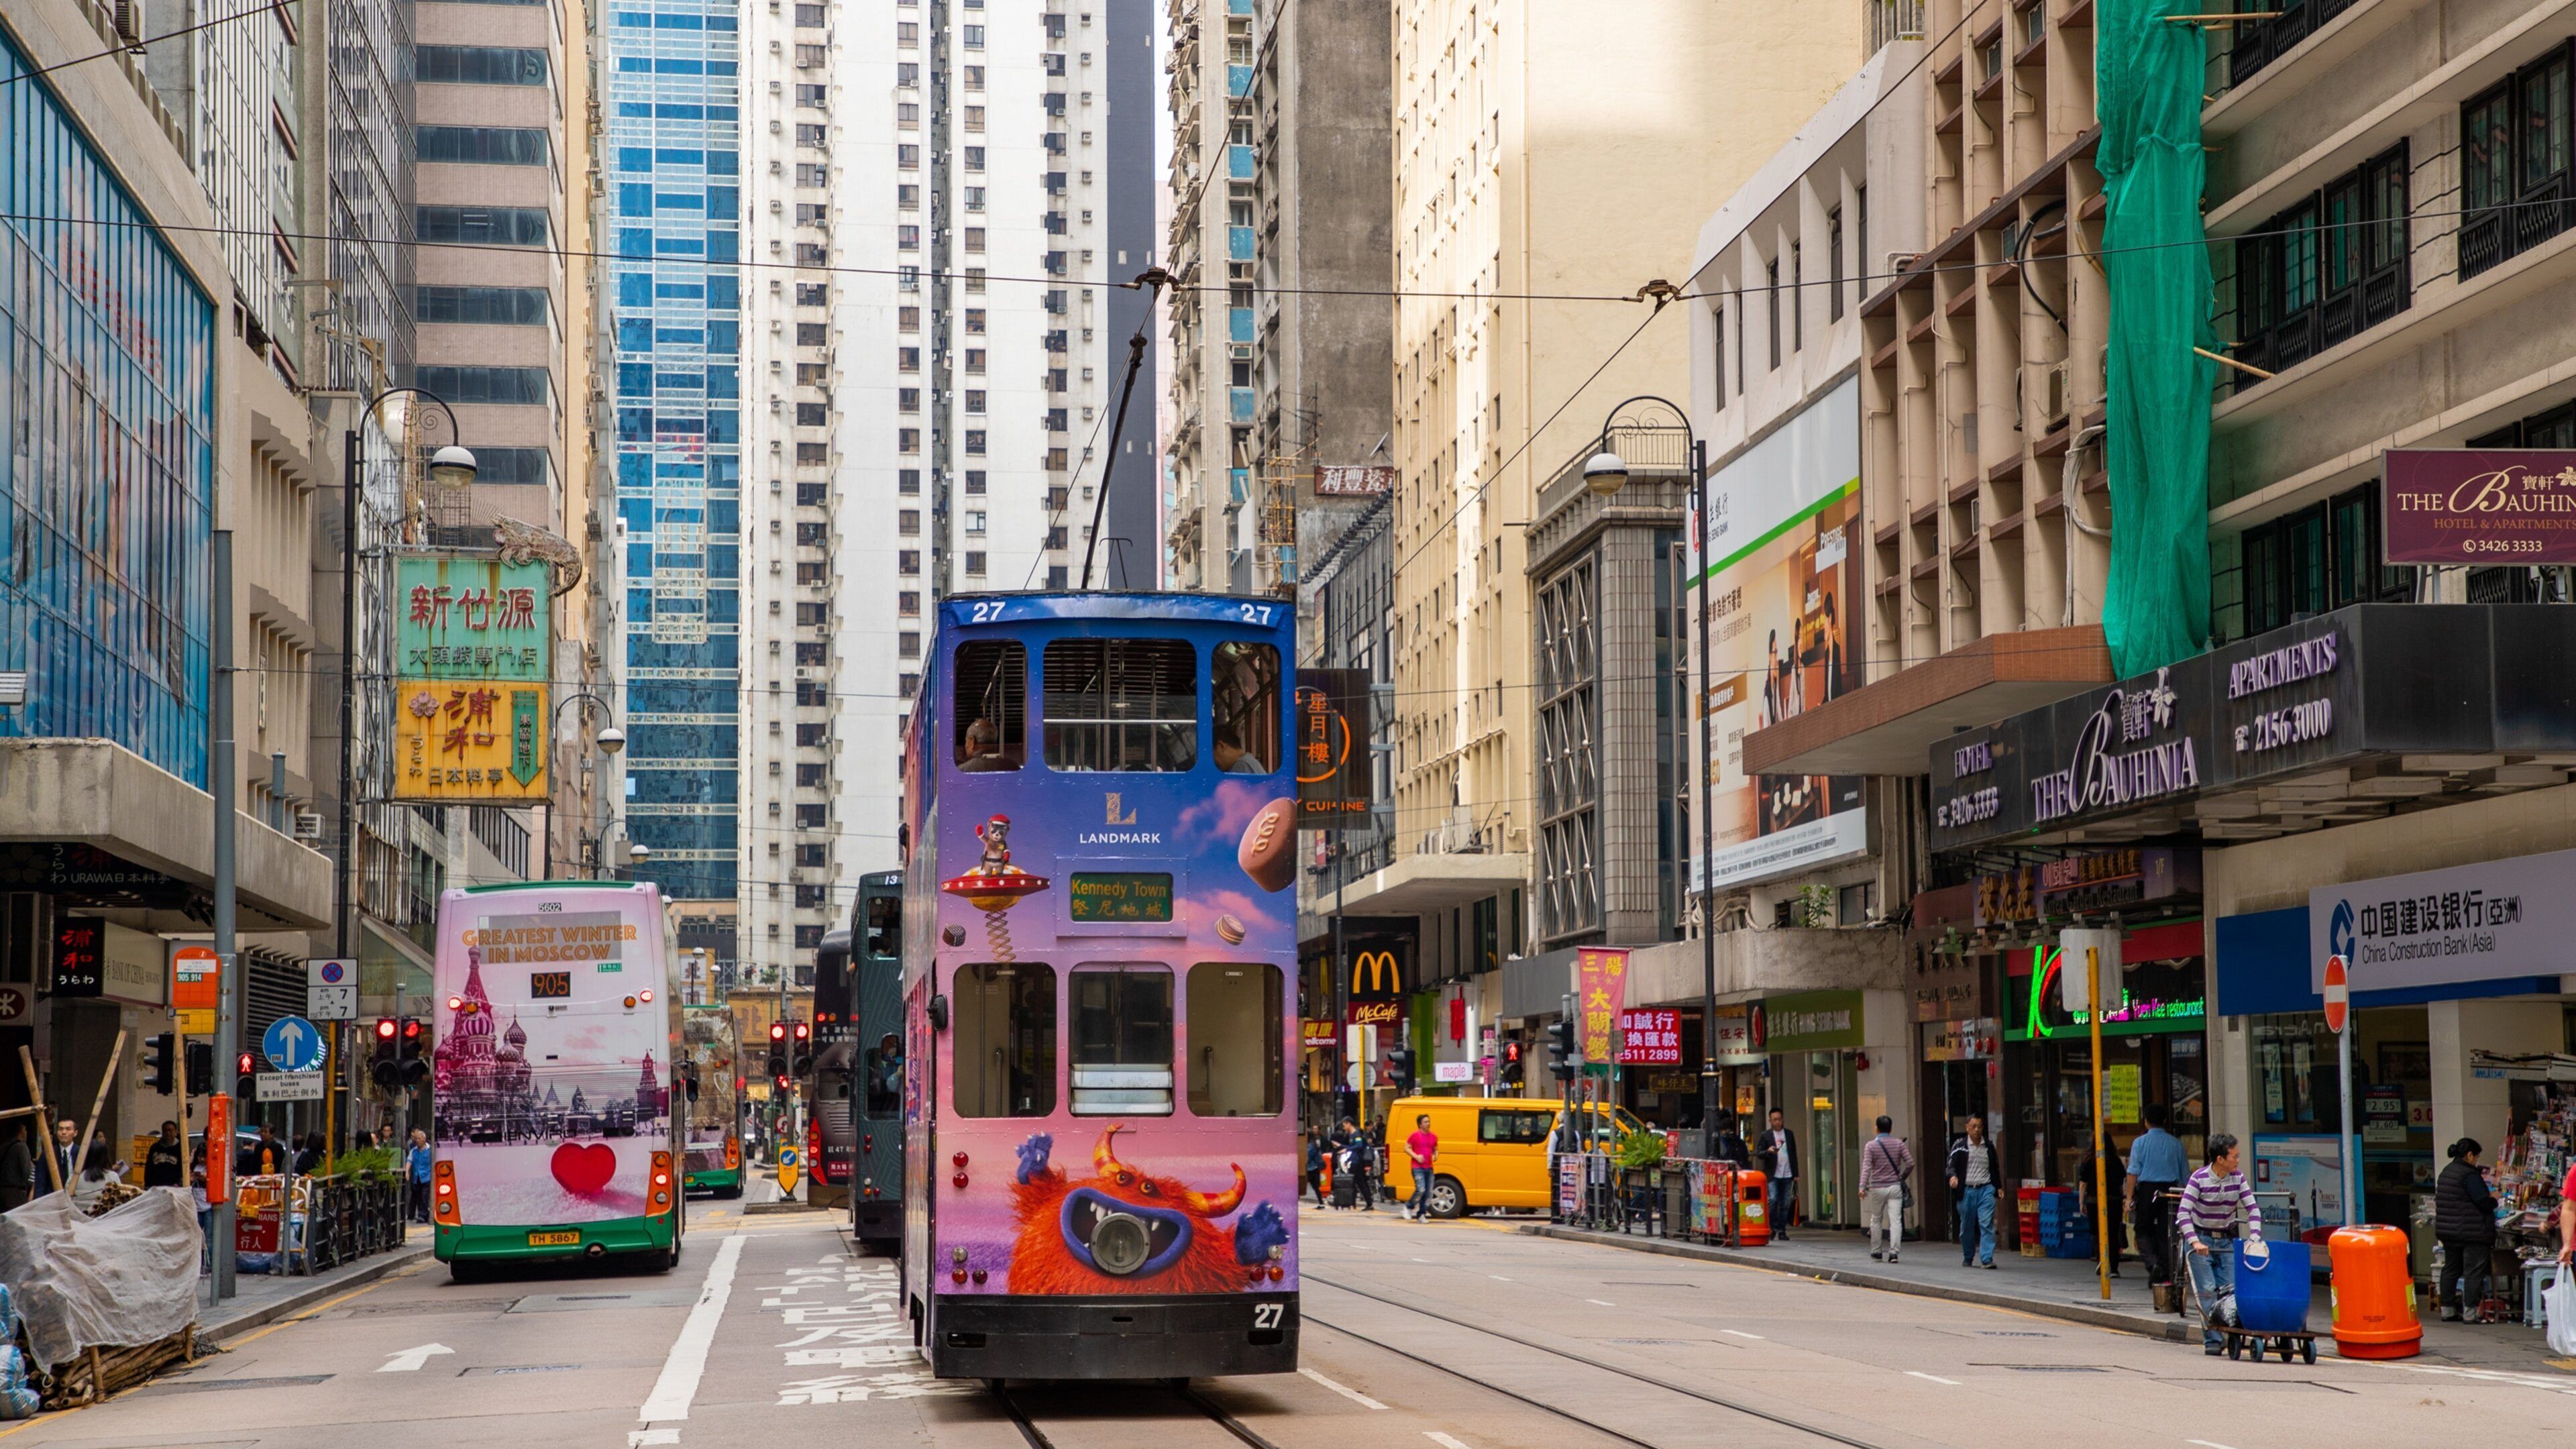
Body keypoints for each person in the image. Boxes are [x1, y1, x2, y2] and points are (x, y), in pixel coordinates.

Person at [2180, 1133, 2263, 1355]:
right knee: (2207, 1291)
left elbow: (2253, 1209)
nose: (2238, 1160)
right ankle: (2213, 1339)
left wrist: (2254, 1237)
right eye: (2234, 1156)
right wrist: (2195, 1241)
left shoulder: (2238, 1178)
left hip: (2225, 1239)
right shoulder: (2198, 1179)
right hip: (2201, 1238)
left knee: (2229, 1291)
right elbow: (2183, 1213)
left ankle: (2231, 1335)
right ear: (2220, 1159)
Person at [2434, 1137, 2498, 1322]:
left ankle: (2447, 1310)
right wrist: (2493, 1198)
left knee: (2451, 1269)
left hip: (2449, 1231)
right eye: (2476, 1157)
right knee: (2473, 1270)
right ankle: (2470, 1314)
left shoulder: (2447, 1171)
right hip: (2472, 1232)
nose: (2476, 1161)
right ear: (2469, 1155)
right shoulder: (2469, 1175)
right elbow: (2483, 1202)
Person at [2125, 1103, 2188, 1287]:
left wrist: (2129, 1198)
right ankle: (2167, 1272)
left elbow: (2133, 1172)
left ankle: (2153, 1264)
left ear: (2146, 1122)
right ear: (2165, 1121)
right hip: (2172, 1191)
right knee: (2167, 1232)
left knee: (2142, 1229)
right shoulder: (2176, 1144)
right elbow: (2185, 1175)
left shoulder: (2140, 1143)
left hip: (2148, 1190)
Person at [1948, 1116, 2003, 1270]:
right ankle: (1968, 1256)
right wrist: (1953, 1177)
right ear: (1967, 1127)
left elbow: (1994, 1168)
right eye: (1973, 1126)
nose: (1977, 1130)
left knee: (1986, 1224)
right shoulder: (1960, 1146)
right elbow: (1950, 1165)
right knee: (1967, 1226)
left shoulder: (1988, 1146)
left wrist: (1998, 1186)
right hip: (1967, 1190)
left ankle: (1987, 1258)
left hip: (1985, 1188)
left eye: (1979, 1126)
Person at [1860, 1117, 1914, 1263]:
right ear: (1891, 1129)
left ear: (1876, 1128)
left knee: (1876, 1219)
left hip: (1877, 1187)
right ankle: (1894, 1253)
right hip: (1895, 1187)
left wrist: (1862, 1187)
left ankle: (1876, 1251)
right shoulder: (1898, 1144)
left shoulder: (1871, 1146)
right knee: (1896, 1221)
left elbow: (1866, 1168)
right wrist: (1902, 1176)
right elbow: (1910, 1163)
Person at [2079, 1138, 2128, 1277]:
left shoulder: (2089, 1160)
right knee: (2113, 1233)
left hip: (2095, 1201)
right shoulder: (2116, 1161)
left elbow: (2083, 1184)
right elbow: (2122, 1182)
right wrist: (2125, 1198)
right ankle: (2114, 1267)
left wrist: (2081, 1202)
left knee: (2096, 1232)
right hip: (2114, 1201)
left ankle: (2102, 1259)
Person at [1757, 1108, 1798, 1239]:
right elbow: (1759, 1154)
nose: (1778, 1122)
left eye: (1780, 1119)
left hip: (1787, 1173)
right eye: (1775, 1119)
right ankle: (1772, 1228)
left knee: (1785, 1204)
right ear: (1770, 1121)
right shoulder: (1766, 1135)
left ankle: (1782, 1230)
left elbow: (1793, 1154)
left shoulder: (1789, 1134)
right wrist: (1768, 1151)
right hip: (1773, 1174)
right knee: (1773, 1200)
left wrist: (1796, 1173)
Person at [1404, 1113, 1440, 1222]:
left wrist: (1436, 1155)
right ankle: (1409, 1206)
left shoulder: (1433, 1136)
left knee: (1429, 1193)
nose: (1428, 1124)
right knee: (1421, 1189)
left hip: (1429, 1167)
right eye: (1425, 1122)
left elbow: (1436, 1149)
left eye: (1429, 1121)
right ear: (1420, 1124)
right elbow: (1407, 1148)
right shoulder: (1414, 1135)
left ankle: (1421, 1214)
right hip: (1417, 1167)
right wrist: (1416, 1156)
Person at [69, 1142, 119, 1214]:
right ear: (105, 1157)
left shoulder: (73, 1179)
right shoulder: (113, 1177)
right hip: (107, 1221)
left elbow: (67, 1202)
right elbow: (118, 1201)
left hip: (80, 1221)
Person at [0, 1121, 34, 1213]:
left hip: (3, 1190)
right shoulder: (21, 1147)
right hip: (16, 1192)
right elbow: (27, 1172)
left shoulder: (3, 1146)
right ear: (22, 1132)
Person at [141, 1120, 186, 1189]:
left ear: (176, 1132)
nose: (168, 1133)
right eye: (165, 1131)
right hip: (156, 1187)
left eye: (170, 1130)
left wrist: (179, 1183)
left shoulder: (181, 1148)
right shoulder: (155, 1147)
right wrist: (147, 1185)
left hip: (174, 1187)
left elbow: (184, 1169)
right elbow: (149, 1168)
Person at [407, 1128, 434, 1224]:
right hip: (416, 1177)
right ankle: (423, 1215)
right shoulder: (414, 1151)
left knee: (424, 1196)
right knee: (419, 1197)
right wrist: (407, 1172)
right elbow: (409, 1161)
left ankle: (423, 1215)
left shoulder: (430, 1150)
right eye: (416, 1139)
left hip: (426, 1177)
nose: (417, 1141)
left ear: (424, 1139)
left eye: (419, 1139)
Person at [50, 1118, 79, 1191]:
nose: (64, 1132)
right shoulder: (49, 1153)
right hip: (54, 1195)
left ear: (75, 1133)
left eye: (68, 1129)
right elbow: (41, 1180)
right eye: (60, 1129)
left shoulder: (80, 1152)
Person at [1305, 1136, 1327, 1209]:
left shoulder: (1310, 1147)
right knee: (1315, 1187)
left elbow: (1307, 1158)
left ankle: (1321, 1202)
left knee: (1299, 1185)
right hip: (1314, 1168)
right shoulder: (1313, 1145)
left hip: (1311, 1168)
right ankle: (1321, 1203)